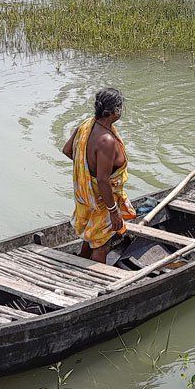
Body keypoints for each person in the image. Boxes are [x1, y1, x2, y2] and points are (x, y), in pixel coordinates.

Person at [62, 88, 136, 262]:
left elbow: (67, 150)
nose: (122, 110)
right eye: (121, 107)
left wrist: (86, 170)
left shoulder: (86, 125)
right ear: (114, 111)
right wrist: (113, 211)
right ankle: (97, 281)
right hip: (101, 199)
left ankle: (81, 260)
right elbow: (103, 181)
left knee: (92, 234)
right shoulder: (106, 141)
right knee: (101, 244)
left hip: (85, 195)